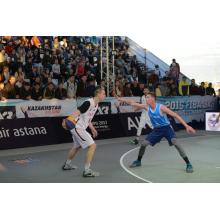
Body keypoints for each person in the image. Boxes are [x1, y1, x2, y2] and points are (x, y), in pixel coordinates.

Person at [118, 92, 196, 173]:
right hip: (157, 130)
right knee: (144, 144)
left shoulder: (161, 107)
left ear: (153, 98)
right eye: (146, 97)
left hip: (166, 129)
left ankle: (188, 164)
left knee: (175, 142)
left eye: (147, 97)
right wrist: (121, 99)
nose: (146, 99)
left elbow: (175, 115)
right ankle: (138, 161)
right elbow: (132, 103)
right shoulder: (146, 107)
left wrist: (186, 126)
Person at [62, 86, 106, 177]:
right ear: (98, 94)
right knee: (92, 146)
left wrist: (93, 129)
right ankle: (87, 171)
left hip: (80, 127)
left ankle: (67, 164)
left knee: (76, 147)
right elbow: (77, 112)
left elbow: (88, 119)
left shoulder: (96, 104)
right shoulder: (88, 102)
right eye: (103, 94)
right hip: (78, 127)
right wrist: (67, 120)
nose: (105, 95)